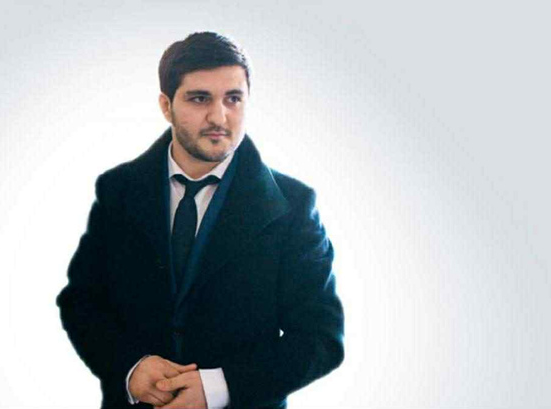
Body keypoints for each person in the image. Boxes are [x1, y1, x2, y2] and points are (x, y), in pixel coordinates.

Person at [56, 32, 344, 409]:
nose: (218, 117)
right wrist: (130, 367)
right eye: (199, 98)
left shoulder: (294, 205)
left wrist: (219, 387)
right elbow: (82, 303)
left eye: (233, 98)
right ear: (166, 105)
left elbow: (320, 338)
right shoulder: (117, 190)